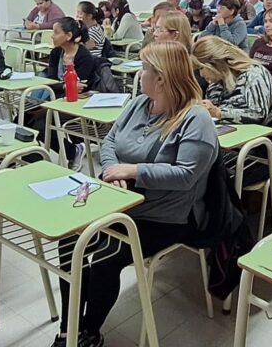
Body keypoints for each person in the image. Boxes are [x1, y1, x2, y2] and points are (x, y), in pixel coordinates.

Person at [53, 41, 217, 347]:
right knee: (69, 240)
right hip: (122, 202)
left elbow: (185, 175)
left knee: (104, 256)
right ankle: (68, 326)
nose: (138, 75)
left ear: (162, 78)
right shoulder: (140, 103)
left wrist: (133, 171)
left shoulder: (196, 119)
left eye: (144, 69)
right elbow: (110, 140)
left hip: (165, 216)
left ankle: (88, 331)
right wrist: (112, 170)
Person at [193, 36, 272, 185]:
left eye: (202, 68)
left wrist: (219, 112)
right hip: (234, 147)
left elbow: (258, 114)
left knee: (216, 181)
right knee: (195, 171)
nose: (201, 74)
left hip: (269, 150)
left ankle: (230, 208)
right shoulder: (215, 83)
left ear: (216, 63)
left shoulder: (254, 74)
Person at [28, 18, 95, 163]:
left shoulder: (84, 56)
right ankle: (31, 160)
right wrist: (65, 86)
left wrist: (63, 87)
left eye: (56, 32)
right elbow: (50, 81)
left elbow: (81, 88)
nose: (52, 36)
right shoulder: (56, 53)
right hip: (56, 97)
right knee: (23, 118)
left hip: (76, 103)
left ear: (68, 36)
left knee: (41, 126)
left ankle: (73, 151)